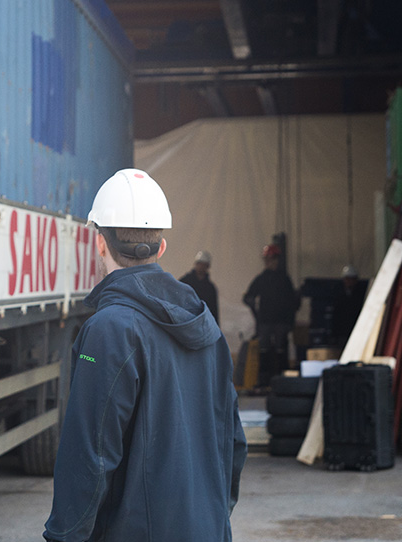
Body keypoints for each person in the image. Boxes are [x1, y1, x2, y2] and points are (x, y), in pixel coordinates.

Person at [43, 169, 246, 542]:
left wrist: (64, 535)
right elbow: (233, 441)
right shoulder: (208, 329)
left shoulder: (108, 330)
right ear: (162, 247)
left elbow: (90, 454)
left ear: (100, 243)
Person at [242, 244, 299, 387]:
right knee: (264, 351)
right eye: (267, 259)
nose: (269, 262)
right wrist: (257, 315)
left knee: (281, 351)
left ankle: (282, 381)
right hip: (266, 322)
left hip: (280, 322)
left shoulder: (284, 279)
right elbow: (248, 297)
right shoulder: (262, 278)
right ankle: (264, 382)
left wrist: (289, 321)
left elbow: (293, 301)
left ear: (277, 260)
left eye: (271, 259)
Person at [180, 250, 220, 324]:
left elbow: (214, 311)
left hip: (202, 324)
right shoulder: (184, 282)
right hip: (185, 323)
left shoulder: (210, 288)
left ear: (208, 266)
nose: (201, 267)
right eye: (200, 264)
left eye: (204, 264)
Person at [331, 264, 366, 345]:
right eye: (347, 279)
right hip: (342, 331)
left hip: (356, 330)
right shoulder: (338, 295)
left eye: (352, 279)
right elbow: (336, 315)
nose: (349, 282)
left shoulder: (360, 295)